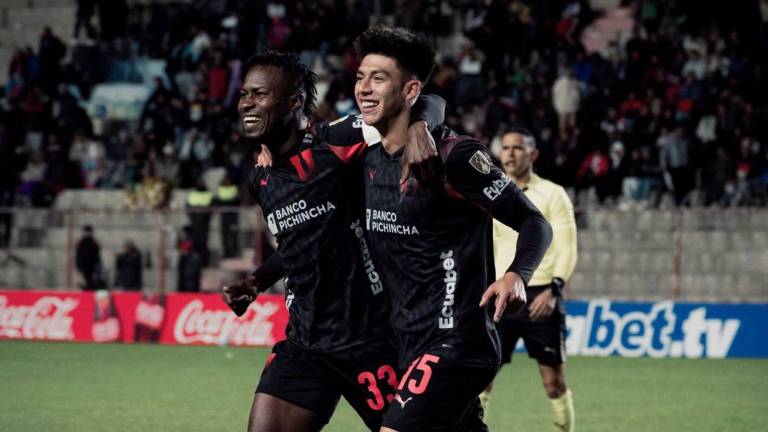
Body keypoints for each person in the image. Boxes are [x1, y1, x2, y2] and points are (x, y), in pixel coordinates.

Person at [220, 51, 445, 432]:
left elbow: (427, 100)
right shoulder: (259, 179)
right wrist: (257, 281)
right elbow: (298, 243)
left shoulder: (337, 142)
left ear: (293, 102)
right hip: (305, 342)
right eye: (244, 94)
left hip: (371, 339)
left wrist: (419, 128)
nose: (246, 103)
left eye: (259, 94)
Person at [353, 25, 552, 432]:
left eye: (378, 78)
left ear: (410, 91)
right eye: (360, 77)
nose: (364, 89)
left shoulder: (454, 156)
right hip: (405, 341)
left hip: (458, 341)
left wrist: (517, 274)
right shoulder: (366, 158)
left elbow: (534, 222)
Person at [481, 127, 578, 432]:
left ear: (533, 154)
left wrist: (555, 290)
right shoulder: (490, 192)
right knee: (479, 380)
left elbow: (567, 245)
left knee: (553, 385)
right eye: (505, 147)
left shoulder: (552, 194)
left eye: (517, 148)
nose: (509, 153)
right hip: (499, 293)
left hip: (540, 296)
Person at [75, 225, 102, 290]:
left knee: (93, 283)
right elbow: (78, 255)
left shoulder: (94, 243)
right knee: (84, 283)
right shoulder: (80, 243)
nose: (88, 234)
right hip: (83, 266)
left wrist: (98, 266)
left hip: (92, 267)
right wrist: (78, 265)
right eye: (86, 232)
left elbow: (97, 256)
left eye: (89, 232)